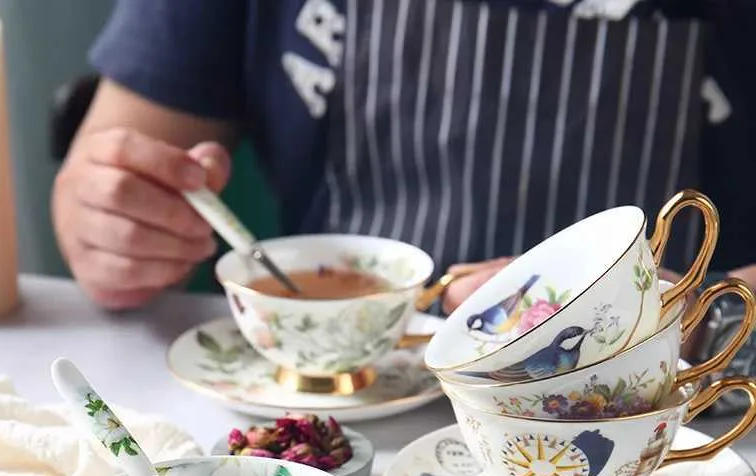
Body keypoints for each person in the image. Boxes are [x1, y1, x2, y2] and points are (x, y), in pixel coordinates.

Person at [52, 0, 756, 321]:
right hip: (341, 430)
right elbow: (119, 156)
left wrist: (701, 315)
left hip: (687, 428)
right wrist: (110, 221)